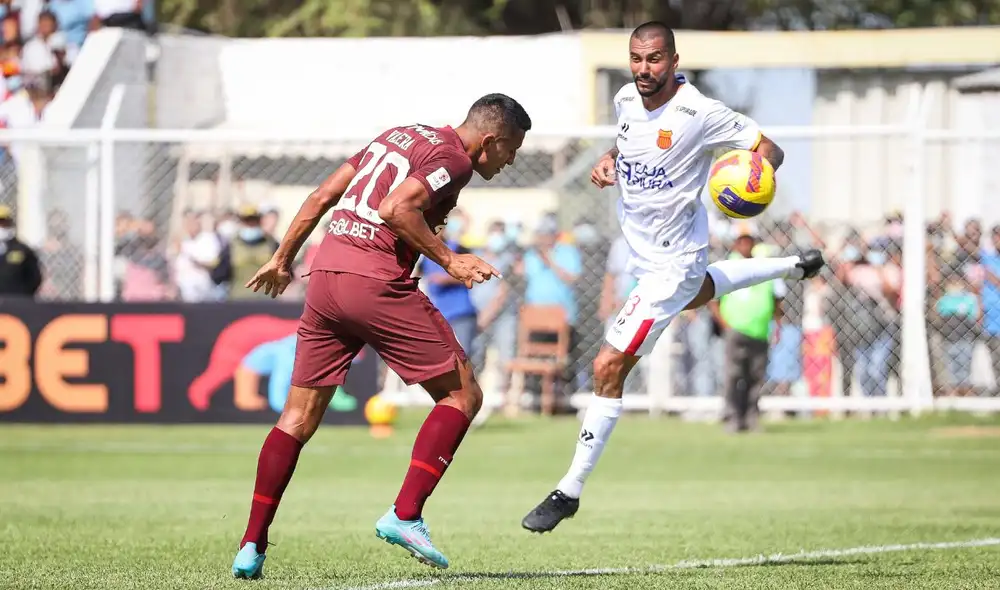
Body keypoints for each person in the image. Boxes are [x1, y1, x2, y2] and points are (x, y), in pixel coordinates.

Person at [521, 21, 823, 533]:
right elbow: (627, 145)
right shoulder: (625, 100)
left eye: (655, 58)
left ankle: (569, 489)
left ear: (674, 60)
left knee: (607, 365)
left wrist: (752, 178)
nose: (644, 68)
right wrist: (607, 161)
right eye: (637, 58)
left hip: (673, 262)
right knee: (700, 292)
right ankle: (793, 266)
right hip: (643, 256)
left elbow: (770, 150)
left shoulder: (700, 113)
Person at [231, 93, 530, 578]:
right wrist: (450, 260)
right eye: (511, 149)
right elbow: (396, 208)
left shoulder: (399, 135)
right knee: (462, 395)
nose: (510, 160)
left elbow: (322, 196)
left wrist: (282, 258)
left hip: (325, 276)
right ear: (490, 139)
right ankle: (405, 514)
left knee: (296, 418)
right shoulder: (455, 159)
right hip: (374, 281)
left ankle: (251, 544)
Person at [0, 205, 42, 297]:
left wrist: (23, 296)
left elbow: (34, 277)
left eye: (3, 223)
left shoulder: (22, 250)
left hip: (16, 301)